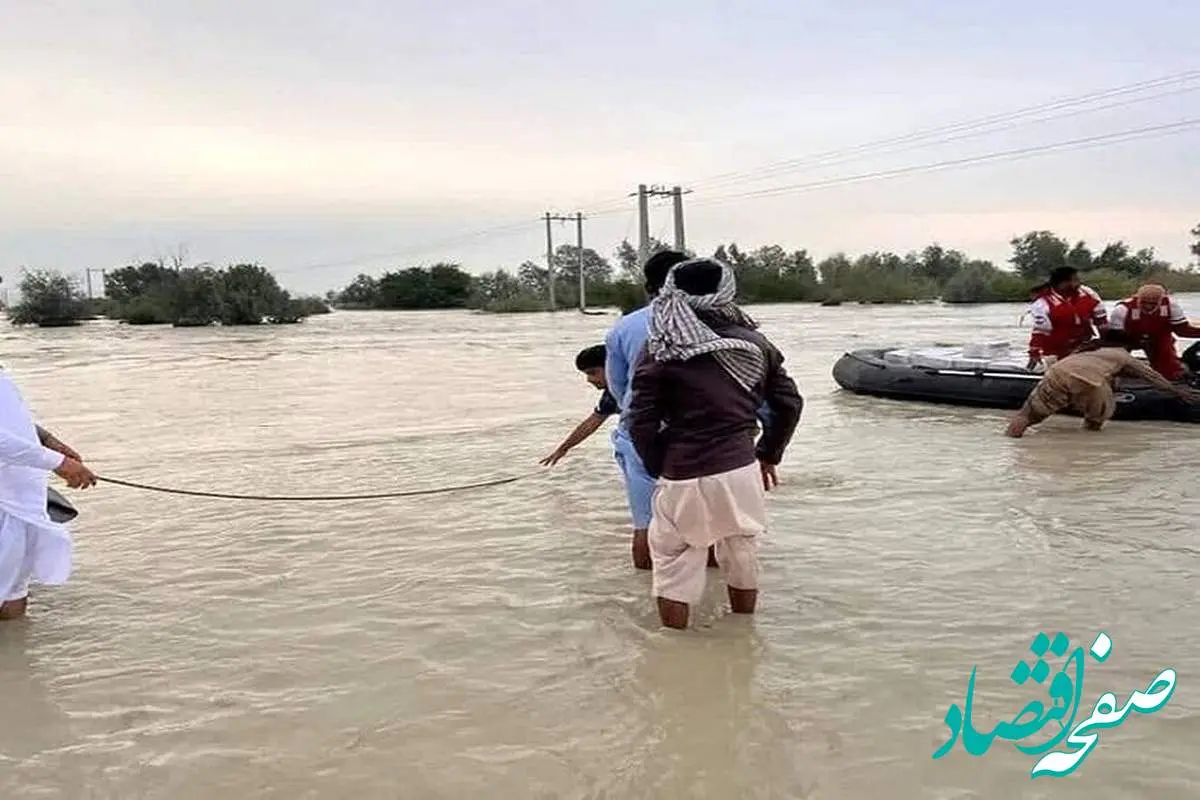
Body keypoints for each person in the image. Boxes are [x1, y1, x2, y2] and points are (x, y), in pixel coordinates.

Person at [627, 257, 803, 630]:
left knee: (675, 563)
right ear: (727, 290)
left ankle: (676, 654)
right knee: (741, 550)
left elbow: (639, 418)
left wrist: (659, 464)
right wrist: (768, 454)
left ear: (672, 289)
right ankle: (744, 633)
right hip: (739, 468)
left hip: (681, 471)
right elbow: (789, 403)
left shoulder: (660, 346)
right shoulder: (756, 343)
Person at [603, 250, 693, 570]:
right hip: (703, 437)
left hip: (641, 433)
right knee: (709, 529)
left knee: (645, 524)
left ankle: (646, 601)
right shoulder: (719, 322)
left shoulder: (624, 328)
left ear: (647, 286)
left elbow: (617, 388)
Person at [0, 369, 97, 621]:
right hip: (7, 498)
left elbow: (9, 417)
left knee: (13, 591)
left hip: (21, 498)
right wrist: (59, 462)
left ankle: (15, 658)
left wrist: (47, 440)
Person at [1005, 333, 1200, 438]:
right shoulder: (1123, 356)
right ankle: (1089, 444)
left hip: (1057, 372)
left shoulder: (1089, 349)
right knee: (1095, 420)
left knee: (1028, 415)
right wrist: (1177, 391)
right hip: (1091, 381)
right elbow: (1153, 377)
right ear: (1128, 347)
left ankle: (1010, 442)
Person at [540, 344, 620, 466]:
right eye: (586, 374)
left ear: (612, 366)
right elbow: (591, 422)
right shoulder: (611, 395)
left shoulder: (640, 386)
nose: (589, 379)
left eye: (593, 372)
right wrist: (563, 448)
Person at [1107, 283, 1200, 381]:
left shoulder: (1171, 307)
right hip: (1128, 338)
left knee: (1169, 372)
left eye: (1153, 303)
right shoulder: (1122, 309)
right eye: (1144, 302)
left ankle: (1170, 373)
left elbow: (1182, 330)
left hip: (1159, 339)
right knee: (1115, 361)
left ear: (1161, 300)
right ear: (1137, 298)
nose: (1148, 306)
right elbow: (1114, 337)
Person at [1026, 266, 1108, 370]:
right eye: (1076, 280)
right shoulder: (1042, 304)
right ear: (1063, 283)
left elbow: (1102, 322)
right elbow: (1040, 333)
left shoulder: (1088, 294)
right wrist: (1034, 353)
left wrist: (1108, 345)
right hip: (1055, 352)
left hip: (1084, 348)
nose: (1080, 282)